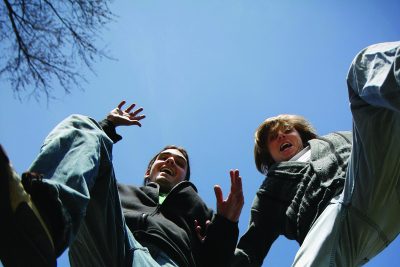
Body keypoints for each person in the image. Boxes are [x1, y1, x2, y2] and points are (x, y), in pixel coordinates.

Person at [0, 100, 244, 267]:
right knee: (85, 125)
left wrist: (226, 224)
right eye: (164, 157)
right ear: (149, 170)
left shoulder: (200, 212)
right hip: (108, 241)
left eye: (179, 162)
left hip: (164, 261)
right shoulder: (117, 194)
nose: (170, 160)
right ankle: (46, 222)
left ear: (184, 177)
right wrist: (108, 124)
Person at [233, 41, 400, 266]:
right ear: (267, 154)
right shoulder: (268, 191)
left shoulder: (338, 138)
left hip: (374, 179)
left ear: (301, 134)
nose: (281, 136)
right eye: (273, 138)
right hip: (331, 226)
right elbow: (249, 248)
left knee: (361, 67)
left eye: (287, 130)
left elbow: (382, 136)